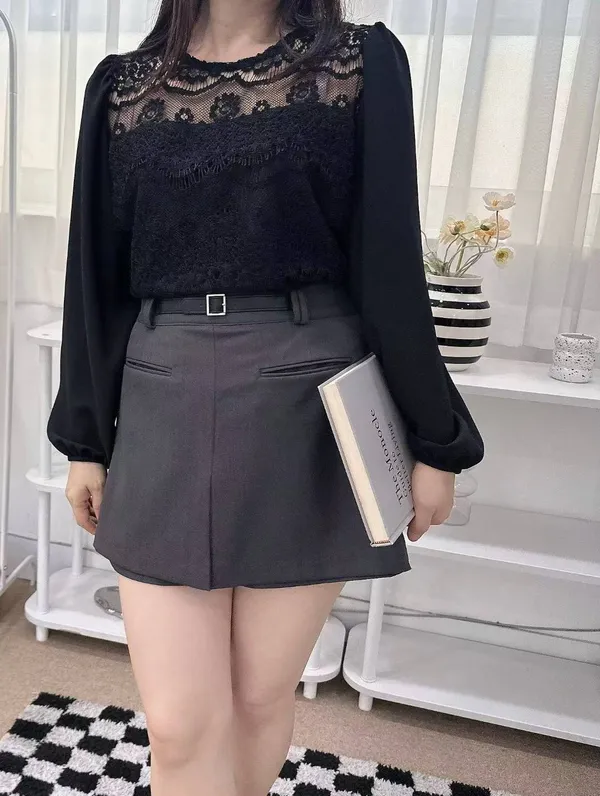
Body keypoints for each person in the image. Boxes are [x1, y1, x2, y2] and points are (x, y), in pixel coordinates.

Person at [47, 1, 484, 794]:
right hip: (163, 391)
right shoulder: (122, 87)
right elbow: (95, 277)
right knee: (180, 725)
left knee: (257, 698)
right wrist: (85, 439)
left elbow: (388, 262)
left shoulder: (358, 64)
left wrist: (437, 438)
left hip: (309, 394)